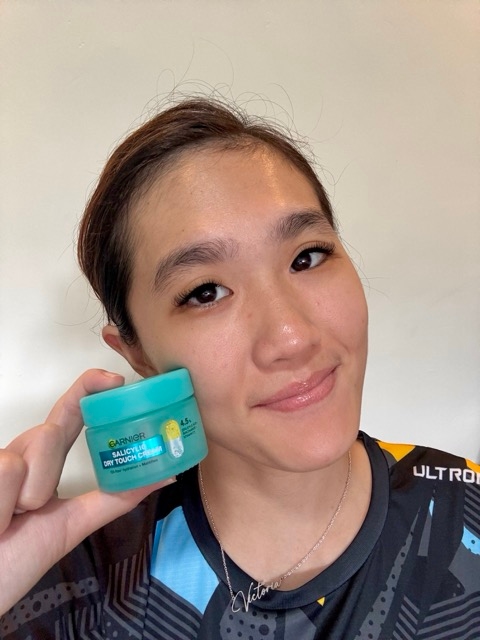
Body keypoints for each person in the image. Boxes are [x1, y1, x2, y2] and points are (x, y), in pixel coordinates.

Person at [1, 97, 479, 640]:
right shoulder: (72, 588)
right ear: (137, 353)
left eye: (307, 256)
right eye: (206, 292)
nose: (292, 337)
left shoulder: (465, 512)